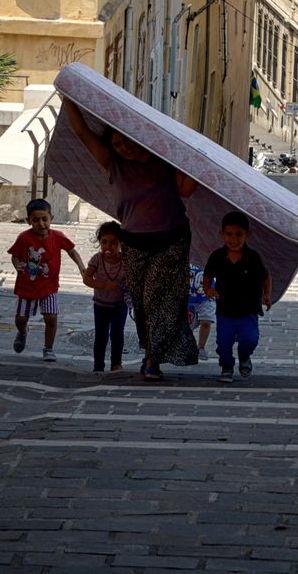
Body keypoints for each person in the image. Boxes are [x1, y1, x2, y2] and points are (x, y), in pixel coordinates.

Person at [62, 99, 199, 380]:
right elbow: (83, 134)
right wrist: (69, 97)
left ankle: (151, 359)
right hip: (134, 243)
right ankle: (154, 354)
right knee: (140, 301)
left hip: (171, 239)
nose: (124, 148)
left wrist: (194, 160)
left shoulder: (164, 158)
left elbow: (186, 189)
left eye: (126, 142)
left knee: (153, 299)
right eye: (117, 145)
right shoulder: (114, 164)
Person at [7, 198, 86, 362]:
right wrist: (17, 266)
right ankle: (22, 332)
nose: (41, 224)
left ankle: (48, 348)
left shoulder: (57, 236)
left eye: (45, 219)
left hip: (49, 287)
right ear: (28, 220)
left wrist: (81, 267)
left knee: (51, 317)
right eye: (35, 220)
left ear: (52, 218)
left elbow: (72, 251)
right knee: (21, 319)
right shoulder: (24, 238)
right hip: (26, 286)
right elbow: (15, 256)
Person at [203, 211, 272, 383]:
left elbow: (265, 277)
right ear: (222, 234)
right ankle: (226, 367)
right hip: (225, 311)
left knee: (250, 339)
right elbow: (208, 275)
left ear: (247, 234)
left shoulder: (253, 257)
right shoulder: (217, 256)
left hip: (249, 310)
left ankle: (244, 356)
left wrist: (267, 294)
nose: (234, 239)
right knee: (223, 343)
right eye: (229, 234)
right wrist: (208, 290)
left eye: (239, 234)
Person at [83, 220, 128, 372]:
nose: (108, 246)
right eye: (104, 242)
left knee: (117, 334)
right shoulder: (97, 259)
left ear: (120, 243)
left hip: (119, 305)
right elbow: (87, 278)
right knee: (101, 336)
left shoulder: (125, 260)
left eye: (113, 243)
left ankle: (116, 362)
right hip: (100, 305)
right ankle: (98, 365)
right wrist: (102, 285)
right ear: (100, 242)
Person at [188, 263, 215, 361]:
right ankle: (187, 346)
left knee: (206, 322)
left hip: (207, 296)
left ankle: (201, 347)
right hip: (189, 297)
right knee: (188, 325)